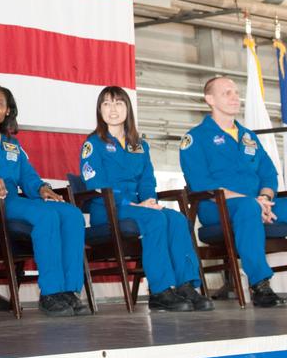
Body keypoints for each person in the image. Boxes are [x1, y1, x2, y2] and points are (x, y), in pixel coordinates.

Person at [179, 76, 287, 308]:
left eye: (236, 92)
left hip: (258, 204)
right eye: (227, 93)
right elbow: (202, 184)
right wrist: (253, 202)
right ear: (209, 99)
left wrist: (264, 198)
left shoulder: (248, 137)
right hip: (218, 208)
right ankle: (260, 284)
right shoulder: (195, 138)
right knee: (248, 207)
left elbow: (269, 174)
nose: (235, 97)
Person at [0, 85, 88, 317]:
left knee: (70, 213)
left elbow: (28, 176)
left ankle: (69, 291)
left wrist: (42, 188)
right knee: (47, 216)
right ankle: (51, 293)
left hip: (15, 200)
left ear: (8, 111)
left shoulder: (13, 144)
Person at [79, 87, 211, 313]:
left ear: (127, 108)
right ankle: (159, 291)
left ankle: (185, 285)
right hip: (108, 208)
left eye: (119, 103)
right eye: (107, 104)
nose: (113, 109)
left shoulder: (139, 145)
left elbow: (147, 181)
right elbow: (96, 184)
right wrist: (133, 205)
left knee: (177, 219)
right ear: (99, 110)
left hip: (140, 208)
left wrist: (149, 200)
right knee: (155, 220)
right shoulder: (93, 144)